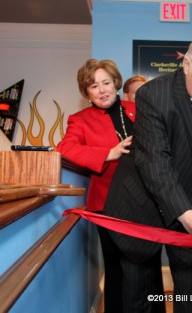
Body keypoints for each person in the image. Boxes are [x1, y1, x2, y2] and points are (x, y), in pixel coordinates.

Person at [102, 35, 192, 313]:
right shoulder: (154, 95)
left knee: (190, 293)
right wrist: (191, 220)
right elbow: (156, 165)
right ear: (187, 65)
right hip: (141, 204)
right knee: (140, 297)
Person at [57, 59, 134, 313]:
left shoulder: (139, 109)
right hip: (108, 204)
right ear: (86, 92)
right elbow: (65, 148)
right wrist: (108, 153)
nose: (102, 90)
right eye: (93, 86)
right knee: (116, 268)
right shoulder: (80, 119)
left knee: (146, 268)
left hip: (146, 201)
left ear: (116, 83)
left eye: (106, 83)